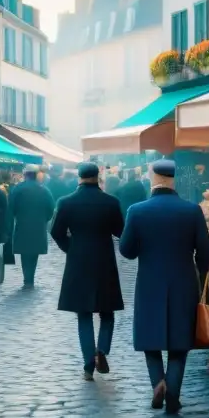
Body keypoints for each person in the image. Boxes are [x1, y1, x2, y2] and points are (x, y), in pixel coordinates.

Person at [119, 159, 209, 415]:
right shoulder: (192, 211)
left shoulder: (137, 211)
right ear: (174, 180)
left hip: (149, 283)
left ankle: (158, 382)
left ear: (153, 178)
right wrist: (204, 276)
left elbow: (126, 251)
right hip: (183, 282)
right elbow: (205, 252)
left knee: (150, 338)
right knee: (180, 341)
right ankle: (172, 390)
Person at [51, 162, 124, 381]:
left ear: (79, 178)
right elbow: (121, 231)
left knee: (83, 314)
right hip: (104, 261)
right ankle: (102, 349)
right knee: (107, 312)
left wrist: (70, 249)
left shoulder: (66, 202)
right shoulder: (111, 202)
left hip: (78, 262)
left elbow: (56, 232)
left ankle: (88, 365)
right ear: (98, 176)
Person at [7, 165, 55, 288]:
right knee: (34, 253)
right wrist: (44, 220)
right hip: (38, 226)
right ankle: (30, 278)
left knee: (25, 253)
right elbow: (51, 209)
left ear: (25, 174)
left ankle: (27, 278)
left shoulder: (18, 189)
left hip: (22, 225)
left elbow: (11, 208)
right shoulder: (44, 190)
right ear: (36, 175)